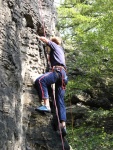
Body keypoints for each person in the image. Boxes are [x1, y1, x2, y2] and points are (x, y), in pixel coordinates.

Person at [35, 36, 68, 136]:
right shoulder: (60, 51)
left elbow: (46, 40)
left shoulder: (55, 46)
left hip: (58, 72)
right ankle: (63, 125)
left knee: (40, 80)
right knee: (60, 101)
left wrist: (38, 37)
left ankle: (46, 105)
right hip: (64, 76)